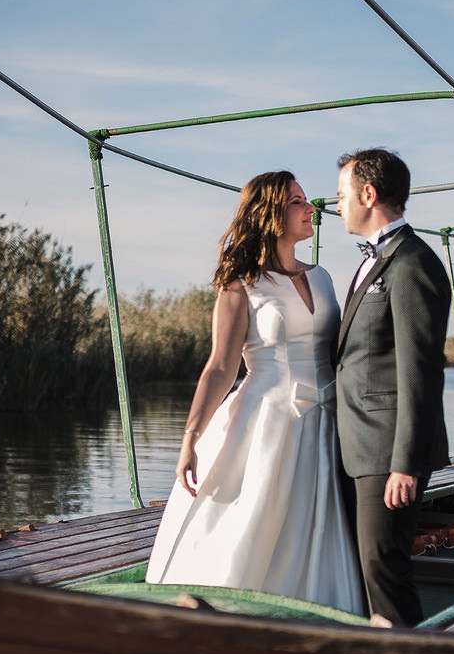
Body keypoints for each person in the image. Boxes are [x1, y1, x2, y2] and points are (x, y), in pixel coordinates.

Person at [145, 171, 364, 614]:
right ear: (271, 214)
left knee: (313, 526)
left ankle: (313, 612)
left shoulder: (322, 277)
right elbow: (221, 366)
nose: (311, 209)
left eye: (308, 201)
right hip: (265, 417)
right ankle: (228, 607)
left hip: (325, 421)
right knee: (251, 523)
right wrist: (190, 438)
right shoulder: (240, 281)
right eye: (299, 202)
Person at [333, 149, 450, 627]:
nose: (336, 204)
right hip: (355, 445)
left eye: (341, 195)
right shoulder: (374, 261)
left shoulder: (411, 263)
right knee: (365, 568)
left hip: (386, 452)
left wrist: (405, 463)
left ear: (368, 193)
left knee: (385, 567)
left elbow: (419, 371)